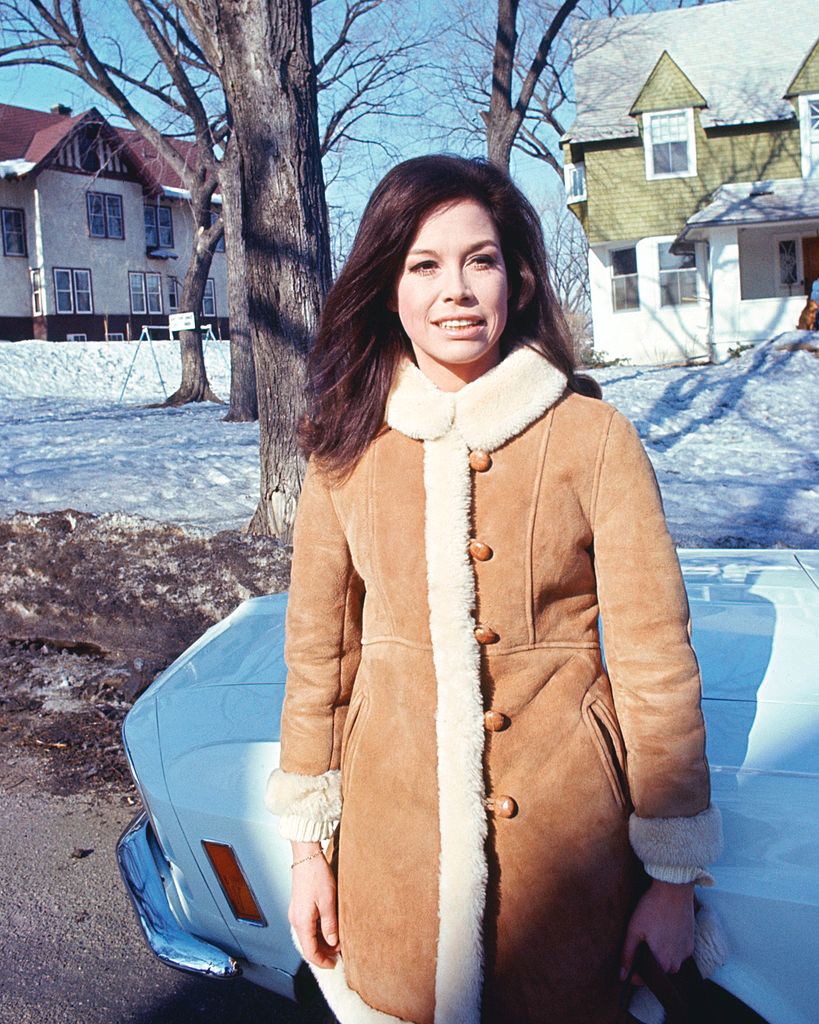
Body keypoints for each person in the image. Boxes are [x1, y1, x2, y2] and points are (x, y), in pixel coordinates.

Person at [265, 155, 725, 1024]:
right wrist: (307, 852)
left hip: (567, 854)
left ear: (515, 277)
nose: (456, 291)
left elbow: (654, 664)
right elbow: (317, 662)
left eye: (479, 260)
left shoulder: (592, 437)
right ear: (385, 286)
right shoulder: (343, 449)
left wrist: (672, 878)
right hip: (391, 852)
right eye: (424, 265)